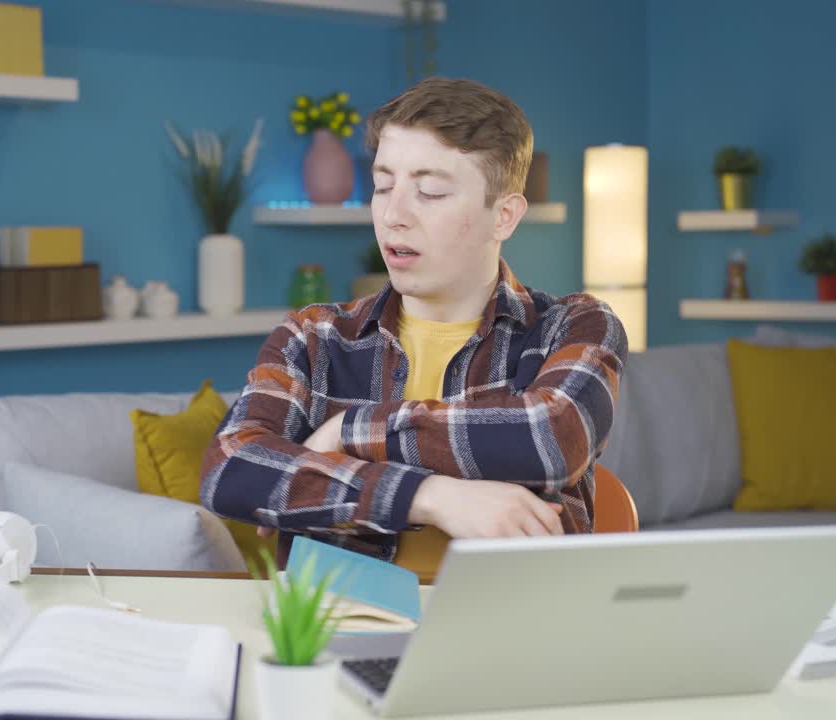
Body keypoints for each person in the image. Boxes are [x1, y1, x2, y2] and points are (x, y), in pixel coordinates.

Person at [200, 76, 628, 576]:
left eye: (430, 191)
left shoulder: (575, 326)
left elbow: (549, 438)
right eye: (383, 186)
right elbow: (230, 467)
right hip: (341, 634)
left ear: (504, 217)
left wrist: (347, 431)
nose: (393, 215)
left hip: (511, 634)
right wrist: (431, 497)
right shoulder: (314, 338)